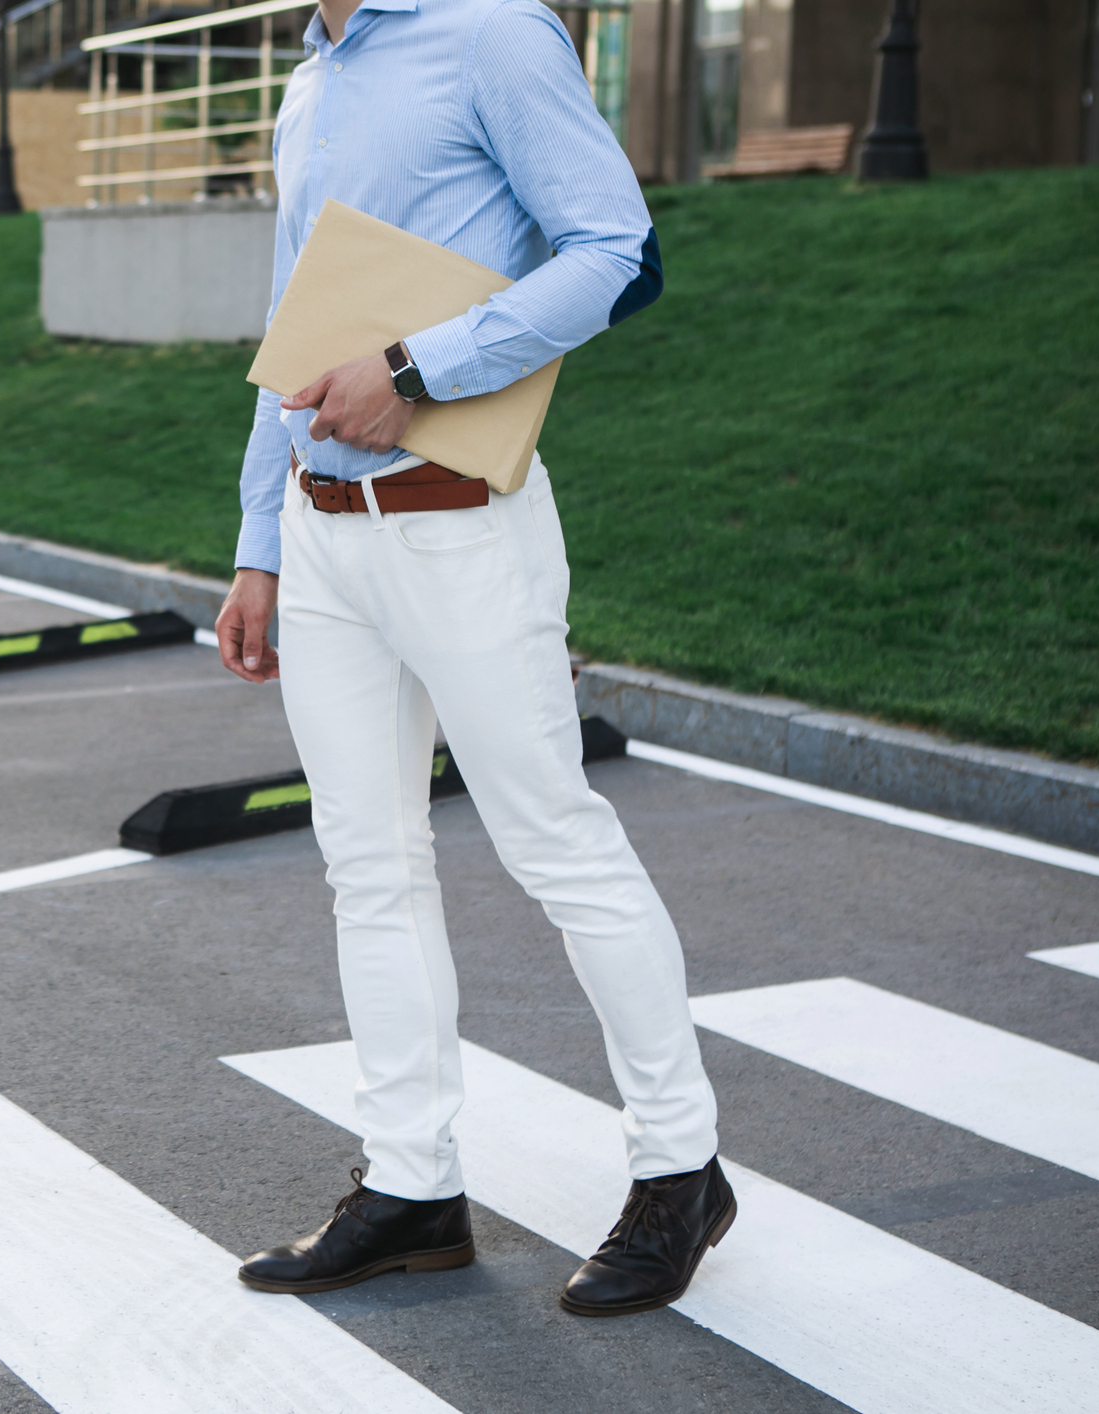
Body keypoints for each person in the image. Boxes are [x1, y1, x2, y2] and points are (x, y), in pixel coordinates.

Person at [214, 0, 735, 1317]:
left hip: (462, 524)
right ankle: (410, 1187)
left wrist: (418, 367)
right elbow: (290, 320)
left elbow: (616, 251)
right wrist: (257, 542)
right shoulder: (312, 79)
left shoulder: (493, 31)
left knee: (552, 836)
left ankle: (680, 1165)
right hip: (324, 539)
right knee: (364, 864)